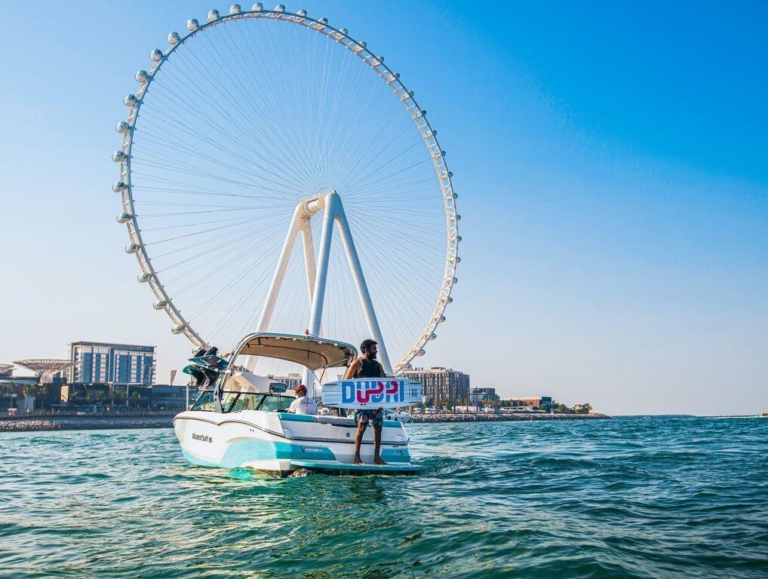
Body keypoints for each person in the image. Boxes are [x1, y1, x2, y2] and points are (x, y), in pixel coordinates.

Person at [344, 339, 387, 465]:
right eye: (374, 349)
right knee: (362, 426)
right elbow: (347, 381)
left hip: (375, 402)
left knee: (378, 428)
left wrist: (382, 402)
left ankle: (377, 458)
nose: (376, 351)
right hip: (361, 402)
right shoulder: (357, 363)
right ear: (367, 350)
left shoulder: (378, 365)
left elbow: (384, 382)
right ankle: (356, 458)